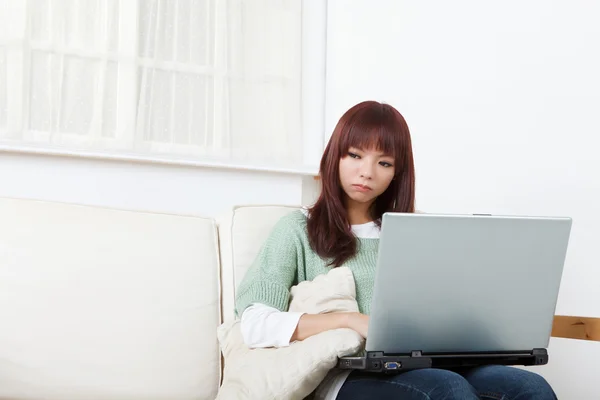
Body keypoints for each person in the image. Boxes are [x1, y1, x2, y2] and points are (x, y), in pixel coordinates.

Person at [234, 100, 557, 399]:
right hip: (345, 374)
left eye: (384, 162)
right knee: (447, 390)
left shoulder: (416, 232)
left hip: (430, 362)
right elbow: (254, 323)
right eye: (355, 155)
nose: (367, 172)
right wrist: (351, 320)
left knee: (529, 388)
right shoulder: (297, 229)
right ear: (335, 156)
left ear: (397, 173)